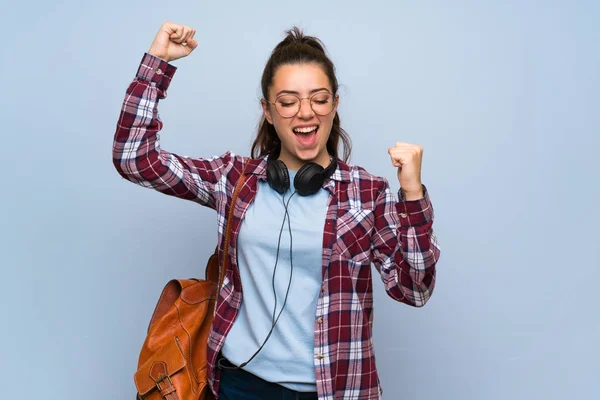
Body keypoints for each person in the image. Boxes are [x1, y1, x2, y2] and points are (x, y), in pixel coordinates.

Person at [113, 21, 441, 400]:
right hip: (239, 386)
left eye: (318, 99)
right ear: (268, 111)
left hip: (335, 391)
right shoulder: (234, 179)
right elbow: (133, 158)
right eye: (287, 101)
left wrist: (412, 196)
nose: (305, 112)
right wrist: (157, 64)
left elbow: (415, 289)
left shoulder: (368, 194)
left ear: (335, 105)